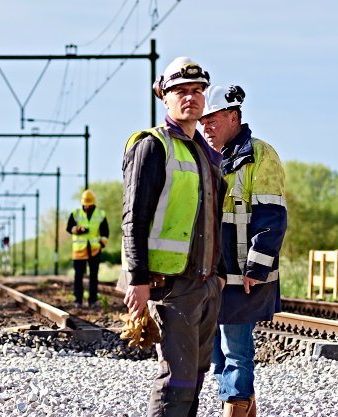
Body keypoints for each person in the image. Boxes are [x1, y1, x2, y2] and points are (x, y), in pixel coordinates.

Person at [121, 56, 225, 417]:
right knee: (176, 380)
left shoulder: (208, 155)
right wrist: (136, 280)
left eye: (197, 90)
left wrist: (221, 273)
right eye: (180, 91)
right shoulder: (152, 146)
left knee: (195, 376)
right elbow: (134, 218)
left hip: (206, 283)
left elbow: (213, 217)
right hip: (171, 285)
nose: (190, 97)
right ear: (163, 96)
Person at [198, 84, 286, 417]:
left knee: (236, 353)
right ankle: (241, 407)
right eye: (203, 121)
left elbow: (272, 217)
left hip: (244, 276)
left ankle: (233, 407)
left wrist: (257, 269)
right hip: (213, 277)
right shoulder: (205, 158)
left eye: (213, 119)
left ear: (233, 117)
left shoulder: (260, 156)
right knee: (219, 355)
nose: (206, 126)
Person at [67, 189, 110, 308]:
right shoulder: (75, 213)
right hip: (79, 250)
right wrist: (78, 229)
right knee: (78, 276)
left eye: (89, 204)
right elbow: (69, 228)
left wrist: (102, 244)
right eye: (85, 204)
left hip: (94, 249)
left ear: (93, 203)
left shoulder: (100, 214)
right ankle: (78, 300)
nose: (87, 206)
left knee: (93, 276)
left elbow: (105, 232)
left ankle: (93, 301)